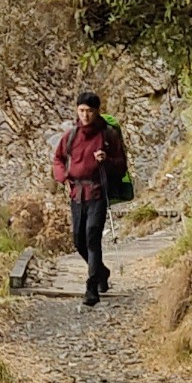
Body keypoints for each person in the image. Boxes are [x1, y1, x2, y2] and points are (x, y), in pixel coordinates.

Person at [51, 91, 128, 308]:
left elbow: (121, 165)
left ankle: (91, 286)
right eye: (82, 110)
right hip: (76, 193)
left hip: (97, 192)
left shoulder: (108, 135)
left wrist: (107, 160)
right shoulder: (71, 136)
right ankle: (101, 271)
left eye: (89, 111)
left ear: (97, 111)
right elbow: (58, 159)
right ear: (77, 111)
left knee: (92, 235)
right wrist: (63, 178)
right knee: (78, 240)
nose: (85, 115)